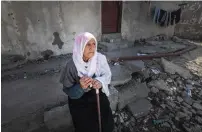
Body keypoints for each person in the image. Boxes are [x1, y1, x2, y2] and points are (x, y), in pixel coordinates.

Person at [60, 32, 114, 132]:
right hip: (80, 102)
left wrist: (100, 82)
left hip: (98, 96)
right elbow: (67, 90)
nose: (92, 48)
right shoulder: (71, 66)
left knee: (106, 124)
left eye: (94, 44)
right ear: (80, 46)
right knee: (86, 127)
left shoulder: (99, 59)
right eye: (88, 44)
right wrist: (80, 87)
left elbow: (107, 76)